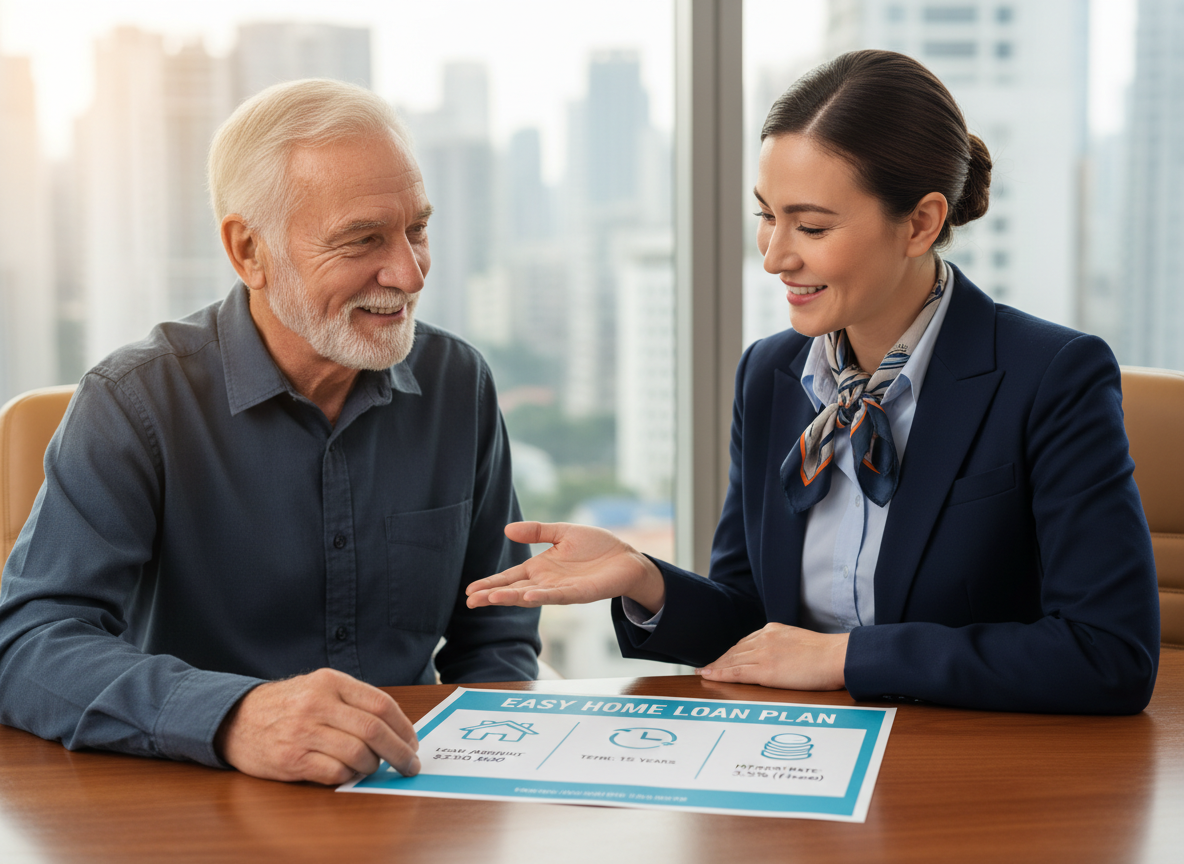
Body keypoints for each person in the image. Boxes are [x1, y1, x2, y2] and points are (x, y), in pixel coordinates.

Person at [467, 50, 1160, 714]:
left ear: (920, 223)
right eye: (767, 215)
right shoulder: (771, 374)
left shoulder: (1051, 378)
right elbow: (753, 626)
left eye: (812, 226)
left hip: (969, 778)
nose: (774, 257)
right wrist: (644, 578)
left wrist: (844, 659)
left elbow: (1107, 653)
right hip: (809, 770)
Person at [0, 79, 540, 784]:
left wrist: (487, 767)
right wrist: (234, 716)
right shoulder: (131, 403)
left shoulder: (457, 384)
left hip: (411, 798)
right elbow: (28, 646)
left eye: (417, 230)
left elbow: (494, 631)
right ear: (248, 251)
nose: (409, 272)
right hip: (194, 797)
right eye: (363, 239)